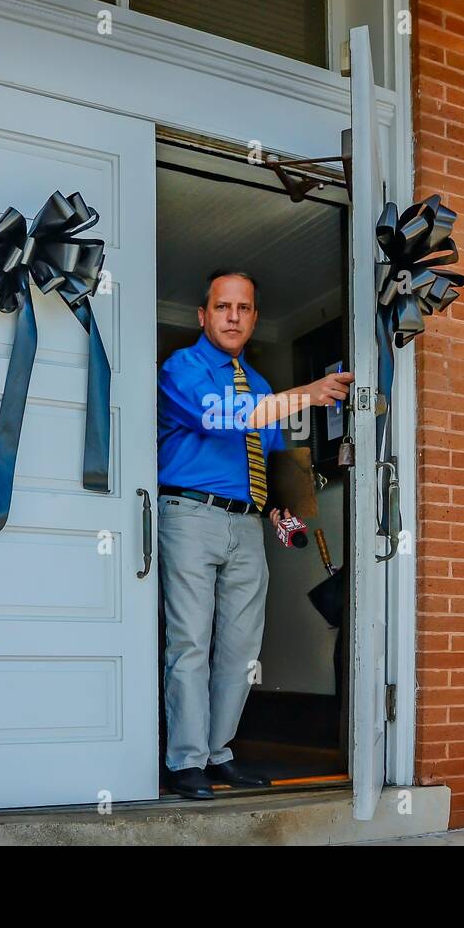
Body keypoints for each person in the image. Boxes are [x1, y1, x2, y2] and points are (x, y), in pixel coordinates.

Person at [156, 269, 353, 799]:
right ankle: (185, 761)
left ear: (254, 318)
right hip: (190, 516)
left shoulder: (262, 385)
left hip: (246, 525)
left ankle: (219, 753)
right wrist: (306, 394)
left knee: (242, 647)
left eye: (243, 308)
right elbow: (218, 417)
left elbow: (266, 463)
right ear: (203, 315)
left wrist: (288, 522)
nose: (233, 317)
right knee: (190, 641)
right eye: (223, 307)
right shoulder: (183, 367)